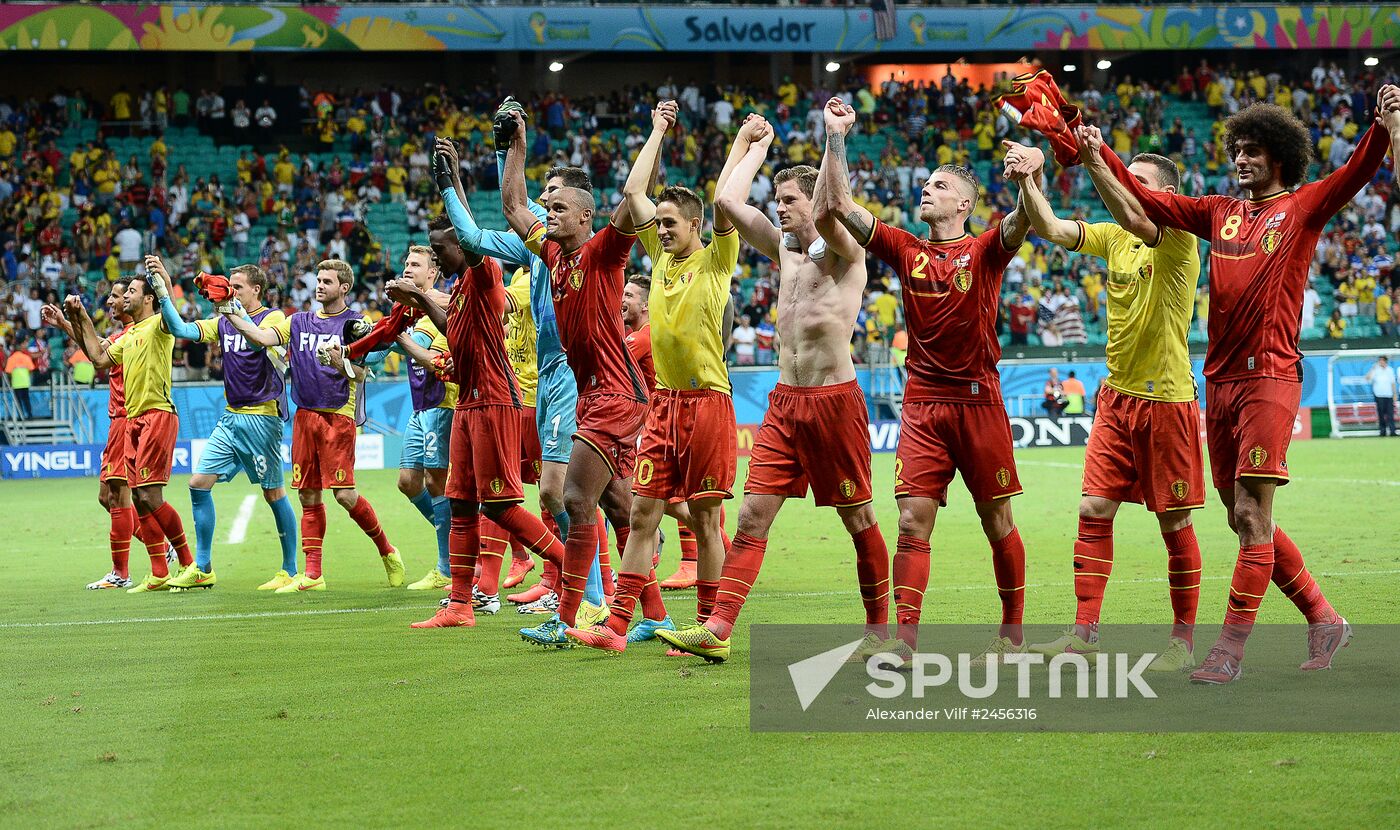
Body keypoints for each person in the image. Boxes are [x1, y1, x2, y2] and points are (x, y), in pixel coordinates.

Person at [1073, 87, 1400, 683]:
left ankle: (1228, 652)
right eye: (1235, 150)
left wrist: (1382, 126)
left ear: (1279, 155)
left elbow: (1357, 171)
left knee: (1252, 512)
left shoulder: (1302, 207)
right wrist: (1100, 154)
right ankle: (1324, 618)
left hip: (1269, 378)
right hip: (1218, 382)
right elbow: (1147, 198)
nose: (1240, 159)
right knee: (1240, 515)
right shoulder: (1218, 213)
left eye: (1251, 150)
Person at [659, 113, 890, 664]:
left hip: (835, 402)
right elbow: (728, 205)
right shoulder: (784, 249)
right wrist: (752, 147)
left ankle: (882, 632)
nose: (779, 207)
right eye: (778, 199)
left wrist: (835, 138)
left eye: (789, 200)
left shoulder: (843, 248)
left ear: (814, 202)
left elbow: (836, 207)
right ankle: (717, 629)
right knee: (752, 517)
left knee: (858, 519)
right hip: (786, 404)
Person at [810, 97, 1031, 664]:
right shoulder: (904, 248)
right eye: (925, 184)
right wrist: (836, 135)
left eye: (937, 186)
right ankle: (904, 643)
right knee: (912, 518)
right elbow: (835, 204)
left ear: (964, 202)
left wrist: (1031, 174)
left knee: (996, 518)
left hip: (979, 404)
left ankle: (1012, 634)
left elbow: (1026, 221)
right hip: (924, 405)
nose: (925, 191)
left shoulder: (984, 250)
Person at [1004, 141, 1205, 671]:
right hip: (1115, 400)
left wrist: (1097, 160)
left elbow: (1137, 216)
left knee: (1174, 525)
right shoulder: (1114, 237)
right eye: (1125, 176)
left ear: (1170, 194)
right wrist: (1032, 177)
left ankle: (1182, 642)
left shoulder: (1180, 238)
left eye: (1139, 179)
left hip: (1166, 401)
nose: (1128, 183)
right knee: (1093, 510)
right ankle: (1083, 633)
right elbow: (1049, 227)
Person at [566, 102, 745, 654]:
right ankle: (616, 627)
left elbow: (725, 199)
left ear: (695, 226)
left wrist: (744, 145)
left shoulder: (718, 258)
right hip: (664, 407)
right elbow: (632, 189)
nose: (661, 230)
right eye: (658, 223)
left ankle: (710, 626)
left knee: (709, 519)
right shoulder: (661, 262)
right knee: (643, 513)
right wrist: (657, 130)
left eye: (671, 224)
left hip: (708, 403)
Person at [433, 126, 606, 621]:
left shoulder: (587, 252)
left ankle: (586, 596)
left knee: (562, 492)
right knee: (585, 497)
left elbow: (511, 210)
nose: (541, 208)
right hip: (547, 378)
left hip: (580, 374)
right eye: (542, 201)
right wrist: (467, 172)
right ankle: (587, 594)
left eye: (551, 199)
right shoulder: (538, 251)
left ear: (578, 208)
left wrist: (510, 151)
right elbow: (477, 232)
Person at [501, 105, 651, 646]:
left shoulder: (605, 251)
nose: (549, 211)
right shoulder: (554, 257)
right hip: (597, 394)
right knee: (618, 507)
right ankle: (652, 613)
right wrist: (517, 143)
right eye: (550, 205)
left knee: (572, 499)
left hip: (616, 393)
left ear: (586, 216)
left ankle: (567, 619)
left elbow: (635, 200)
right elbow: (514, 204)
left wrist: (655, 130)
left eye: (560, 206)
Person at [386, 212, 568, 630]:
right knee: (462, 504)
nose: (436, 255)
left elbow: (470, 241)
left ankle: (575, 573)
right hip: (469, 401)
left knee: (502, 506)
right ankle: (461, 604)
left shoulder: (483, 270)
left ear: (464, 243)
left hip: (496, 401)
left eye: (441, 248)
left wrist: (451, 185)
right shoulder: (460, 285)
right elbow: (456, 333)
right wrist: (421, 303)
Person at [223, 260, 404, 593]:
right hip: (305, 416)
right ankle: (313, 574)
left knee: (346, 496)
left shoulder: (356, 325)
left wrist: (343, 362)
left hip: (338, 415)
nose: (319, 285)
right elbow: (261, 336)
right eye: (318, 280)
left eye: (327, 281)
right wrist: (230, 309)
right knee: (307, 494)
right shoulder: (298, 321)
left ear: (344, 288)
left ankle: (387, 550)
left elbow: (365, 373)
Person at [146, 256, 300, 591]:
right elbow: (182, 330)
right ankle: (203, 567)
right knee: (198, 483)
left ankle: (289, 569)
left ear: (256, 289)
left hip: (263, 417)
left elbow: (260, 337)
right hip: (231, 417)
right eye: (229, 285)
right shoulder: (223, 321)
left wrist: (231, 306)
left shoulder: (273, 316)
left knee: (273, 492)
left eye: (238, 286)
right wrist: (163, 291)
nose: (230, 290)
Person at [64, 276, 195, 592]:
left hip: (156, 415)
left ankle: (191, 564)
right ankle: (160, 571)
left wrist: (161, 276)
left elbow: (170, 308)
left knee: (147, 495)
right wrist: (78, 315)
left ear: (148, 299)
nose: (120, 299)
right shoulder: (129, 334)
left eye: (131, 292)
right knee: (138, 497)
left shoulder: (160, 325)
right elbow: (97, 358)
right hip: (133, 421)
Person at [43, 284, 171, 590]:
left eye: (118, 295)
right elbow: (98, 348)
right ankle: (160, 547)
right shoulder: (123, 336)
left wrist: (72, 320)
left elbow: (97, 350)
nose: (113, 301)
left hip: (129, 418)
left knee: (120, 494)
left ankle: (122, 571)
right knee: (108, 497)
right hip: (118, 421)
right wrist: (65, 323)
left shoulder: (138, 332)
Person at [366, 247, 457, 596]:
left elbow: (427, 352)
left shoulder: (442, 304)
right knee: (407, 481)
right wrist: (350, 356)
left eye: (415, 264)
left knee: (437, 483)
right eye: (405, 263)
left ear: (433, 272)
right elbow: (382, 348)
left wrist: (389, 338)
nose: (407, 268)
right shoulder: (405, 310)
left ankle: (447, 566)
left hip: (443, 404)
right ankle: (459, 538)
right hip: (420, 407)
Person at [1366, 355, 1397, 437]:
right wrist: (1372, 368)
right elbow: (1367, 378)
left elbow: (1393, 383)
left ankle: (1392, 431)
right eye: (1380, 360)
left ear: (1386, 361)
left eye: (1382, 360)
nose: (1381, 362)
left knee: (1390, 415)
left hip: (1389, 395)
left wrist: (1394, 394)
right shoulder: (1376, 370)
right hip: (1379, 395)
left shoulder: (1390, 370)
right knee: (1381, 415)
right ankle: (1382, 432)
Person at [4, 343, 33, 418]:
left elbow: (8, 371)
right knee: (26, 399)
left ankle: (21, 415)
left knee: (18, 400)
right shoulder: (26, 357)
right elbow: (31, 368)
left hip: (16, 383)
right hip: (25, 382)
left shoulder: (11, 358)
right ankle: (29, 415)